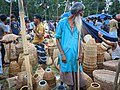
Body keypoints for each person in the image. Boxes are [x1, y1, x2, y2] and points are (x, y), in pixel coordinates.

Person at [55, 2, 86, 90]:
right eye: (82, 12)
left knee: (76, 75)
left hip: (75, 56)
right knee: (66, 74)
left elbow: (79, 41)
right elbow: (57, 39)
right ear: (77, 13)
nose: (82, 14)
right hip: (66, 55)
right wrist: (62, 54)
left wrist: (80, 55)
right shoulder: (62, 23)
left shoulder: (78, 24)